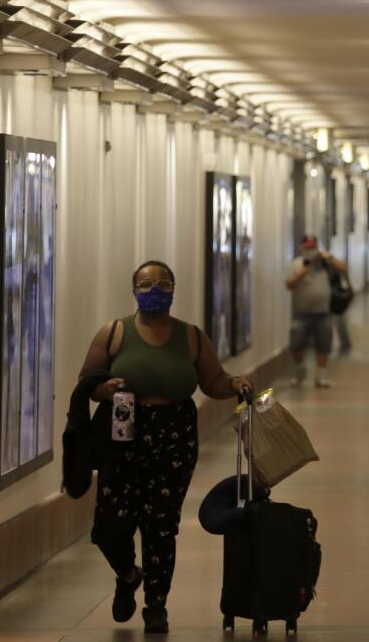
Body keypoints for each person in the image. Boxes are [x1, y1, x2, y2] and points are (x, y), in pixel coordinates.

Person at [80, 260, 252, 633]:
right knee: (111, 524)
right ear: (133, 290)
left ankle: (156, 605)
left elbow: (213, 381)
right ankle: (127, 575)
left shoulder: (190, 336)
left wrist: (235, 384)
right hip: (122, 435)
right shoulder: (113, 333)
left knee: (161, 524)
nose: (154, 289)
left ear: (174, 289)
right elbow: (87, 382)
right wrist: (104, 389)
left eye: (162, 283)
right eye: (145, 284)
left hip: (173, 436)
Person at [286, 234, 348, 387]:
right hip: (301, 313)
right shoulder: (296, 264)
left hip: (323, 313)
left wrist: (329, 257)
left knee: (324, 344)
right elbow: (289, 285)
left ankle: (321, 376)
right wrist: (304, 272)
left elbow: (344, 269)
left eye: (313, 248)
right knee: (296, 344)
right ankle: (300, 371)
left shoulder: (326, 264)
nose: (310, 251)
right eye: (307, 248)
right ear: (302, 248)